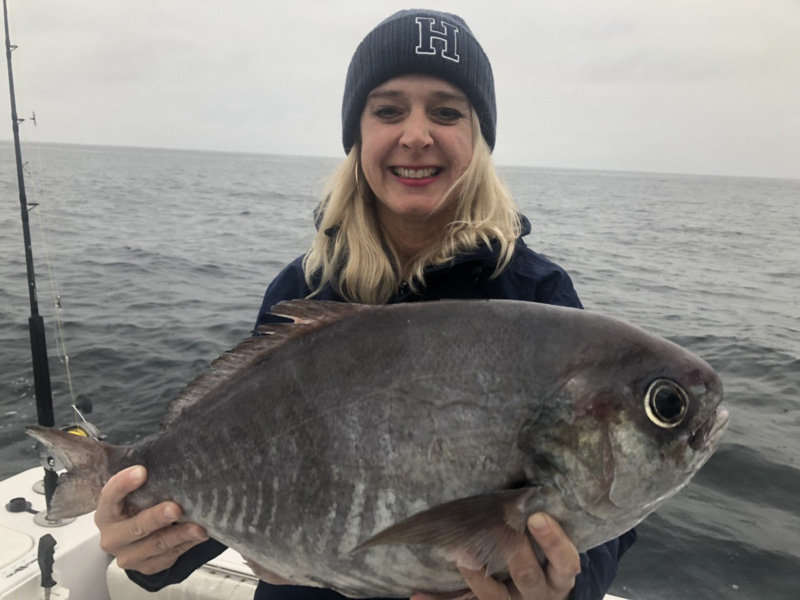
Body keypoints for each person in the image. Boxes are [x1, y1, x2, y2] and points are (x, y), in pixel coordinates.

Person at [94, 9, 636, 600]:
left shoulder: (539, 296)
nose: (416, 135)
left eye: (448, 111)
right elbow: (237, 477)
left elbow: (602, 522)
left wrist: (566, 591)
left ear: (479, 139)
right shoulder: (299, 291)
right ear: (358, 135)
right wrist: (149, 547)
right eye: (388, 109)